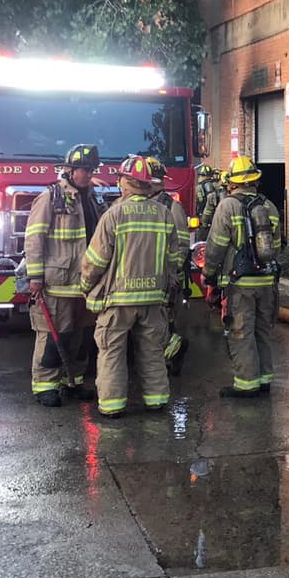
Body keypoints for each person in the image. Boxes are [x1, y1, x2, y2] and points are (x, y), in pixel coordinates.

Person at [79, 155, 182, 418]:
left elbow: (96, 260)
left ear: (127, 183)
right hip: (154, 300)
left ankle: (112, 407)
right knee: (152, 352)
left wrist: (85, 285)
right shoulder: (164, 214)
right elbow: (173, 261)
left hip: (118, 300)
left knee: (112, 351)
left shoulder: (114, 214)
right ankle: (156, 401)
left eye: (121, 180)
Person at [22, 144, 101, 406]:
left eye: (91, 170)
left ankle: (73, 382)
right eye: (84, 170)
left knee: (80, 335)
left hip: (84, 283)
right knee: (52, 334)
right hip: (57, 282)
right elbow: (34, 238)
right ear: (69, 170)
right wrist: (35, 277)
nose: (89, 175)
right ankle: (45, 386)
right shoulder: (50, 197)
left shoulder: (89, 197)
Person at [201, 156, 282, 399]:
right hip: (267, 282)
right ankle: (265, 379)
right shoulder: (270, 207)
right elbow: (276, 246)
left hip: (240, 283)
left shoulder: (227, 206)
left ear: (231, 183)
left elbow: (216, 246)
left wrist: (208, 273)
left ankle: (247, 385)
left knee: (241, 332)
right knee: (262, 331)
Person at [147, 157, 191, 374]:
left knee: (163, 321)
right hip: (147, 277)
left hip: (166, 277)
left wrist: (171, 275)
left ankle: (172, 353)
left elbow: (182, 246)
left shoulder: (172, 207)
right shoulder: (142, 205)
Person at [195, 164, 225, 241]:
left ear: (200, 176)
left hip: (203, 221)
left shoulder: (198, 188)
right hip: (216, 219)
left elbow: (196, 204)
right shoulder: (217, 186)